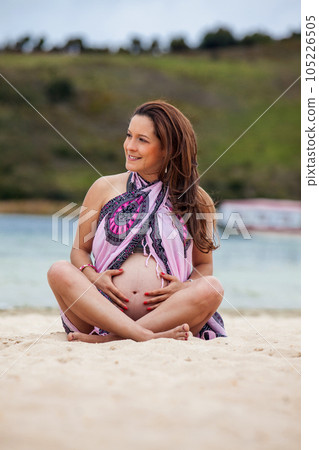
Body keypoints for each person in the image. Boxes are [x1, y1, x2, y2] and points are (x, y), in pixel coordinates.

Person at [47, 100, 226, 343]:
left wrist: (183, 288)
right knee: (58, 270)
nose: (130, 146)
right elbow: (80, 251)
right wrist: (93, 276)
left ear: (167, 148)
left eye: (142, 140)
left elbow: (204, 266)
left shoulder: (197, 200)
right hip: (98, 314)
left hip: (168, 315)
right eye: (129, 135)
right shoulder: (103, 188)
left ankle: (114, 339)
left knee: (212, 287)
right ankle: (135, 335)